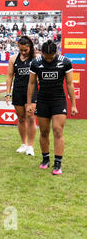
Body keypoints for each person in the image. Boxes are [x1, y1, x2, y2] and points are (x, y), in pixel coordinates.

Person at [27, 40, 78, 175]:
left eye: (51, 57)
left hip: (58, 101)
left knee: (57, 130)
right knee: (44, 131)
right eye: (46, 57)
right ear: (42, 53)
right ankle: (45, 159)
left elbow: (70, 84)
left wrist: (73, 104)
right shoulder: (36, 63)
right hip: (42, 101)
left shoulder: (65, 62)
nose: (49, 59)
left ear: (56, 53)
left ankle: (57, 163)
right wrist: (29, 103)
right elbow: (31, 84)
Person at [5, 36, 37, 156]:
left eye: (25, 50)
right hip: (18, 91)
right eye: (21, 50)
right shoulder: (13, 59)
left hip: (32, 91)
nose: (23, 52)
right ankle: (23, 144)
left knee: (30, 117)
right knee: (21, 118)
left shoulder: (36, 58)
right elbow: (9, 76)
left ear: (30, 47)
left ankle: (31, 146)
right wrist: (7, 92)